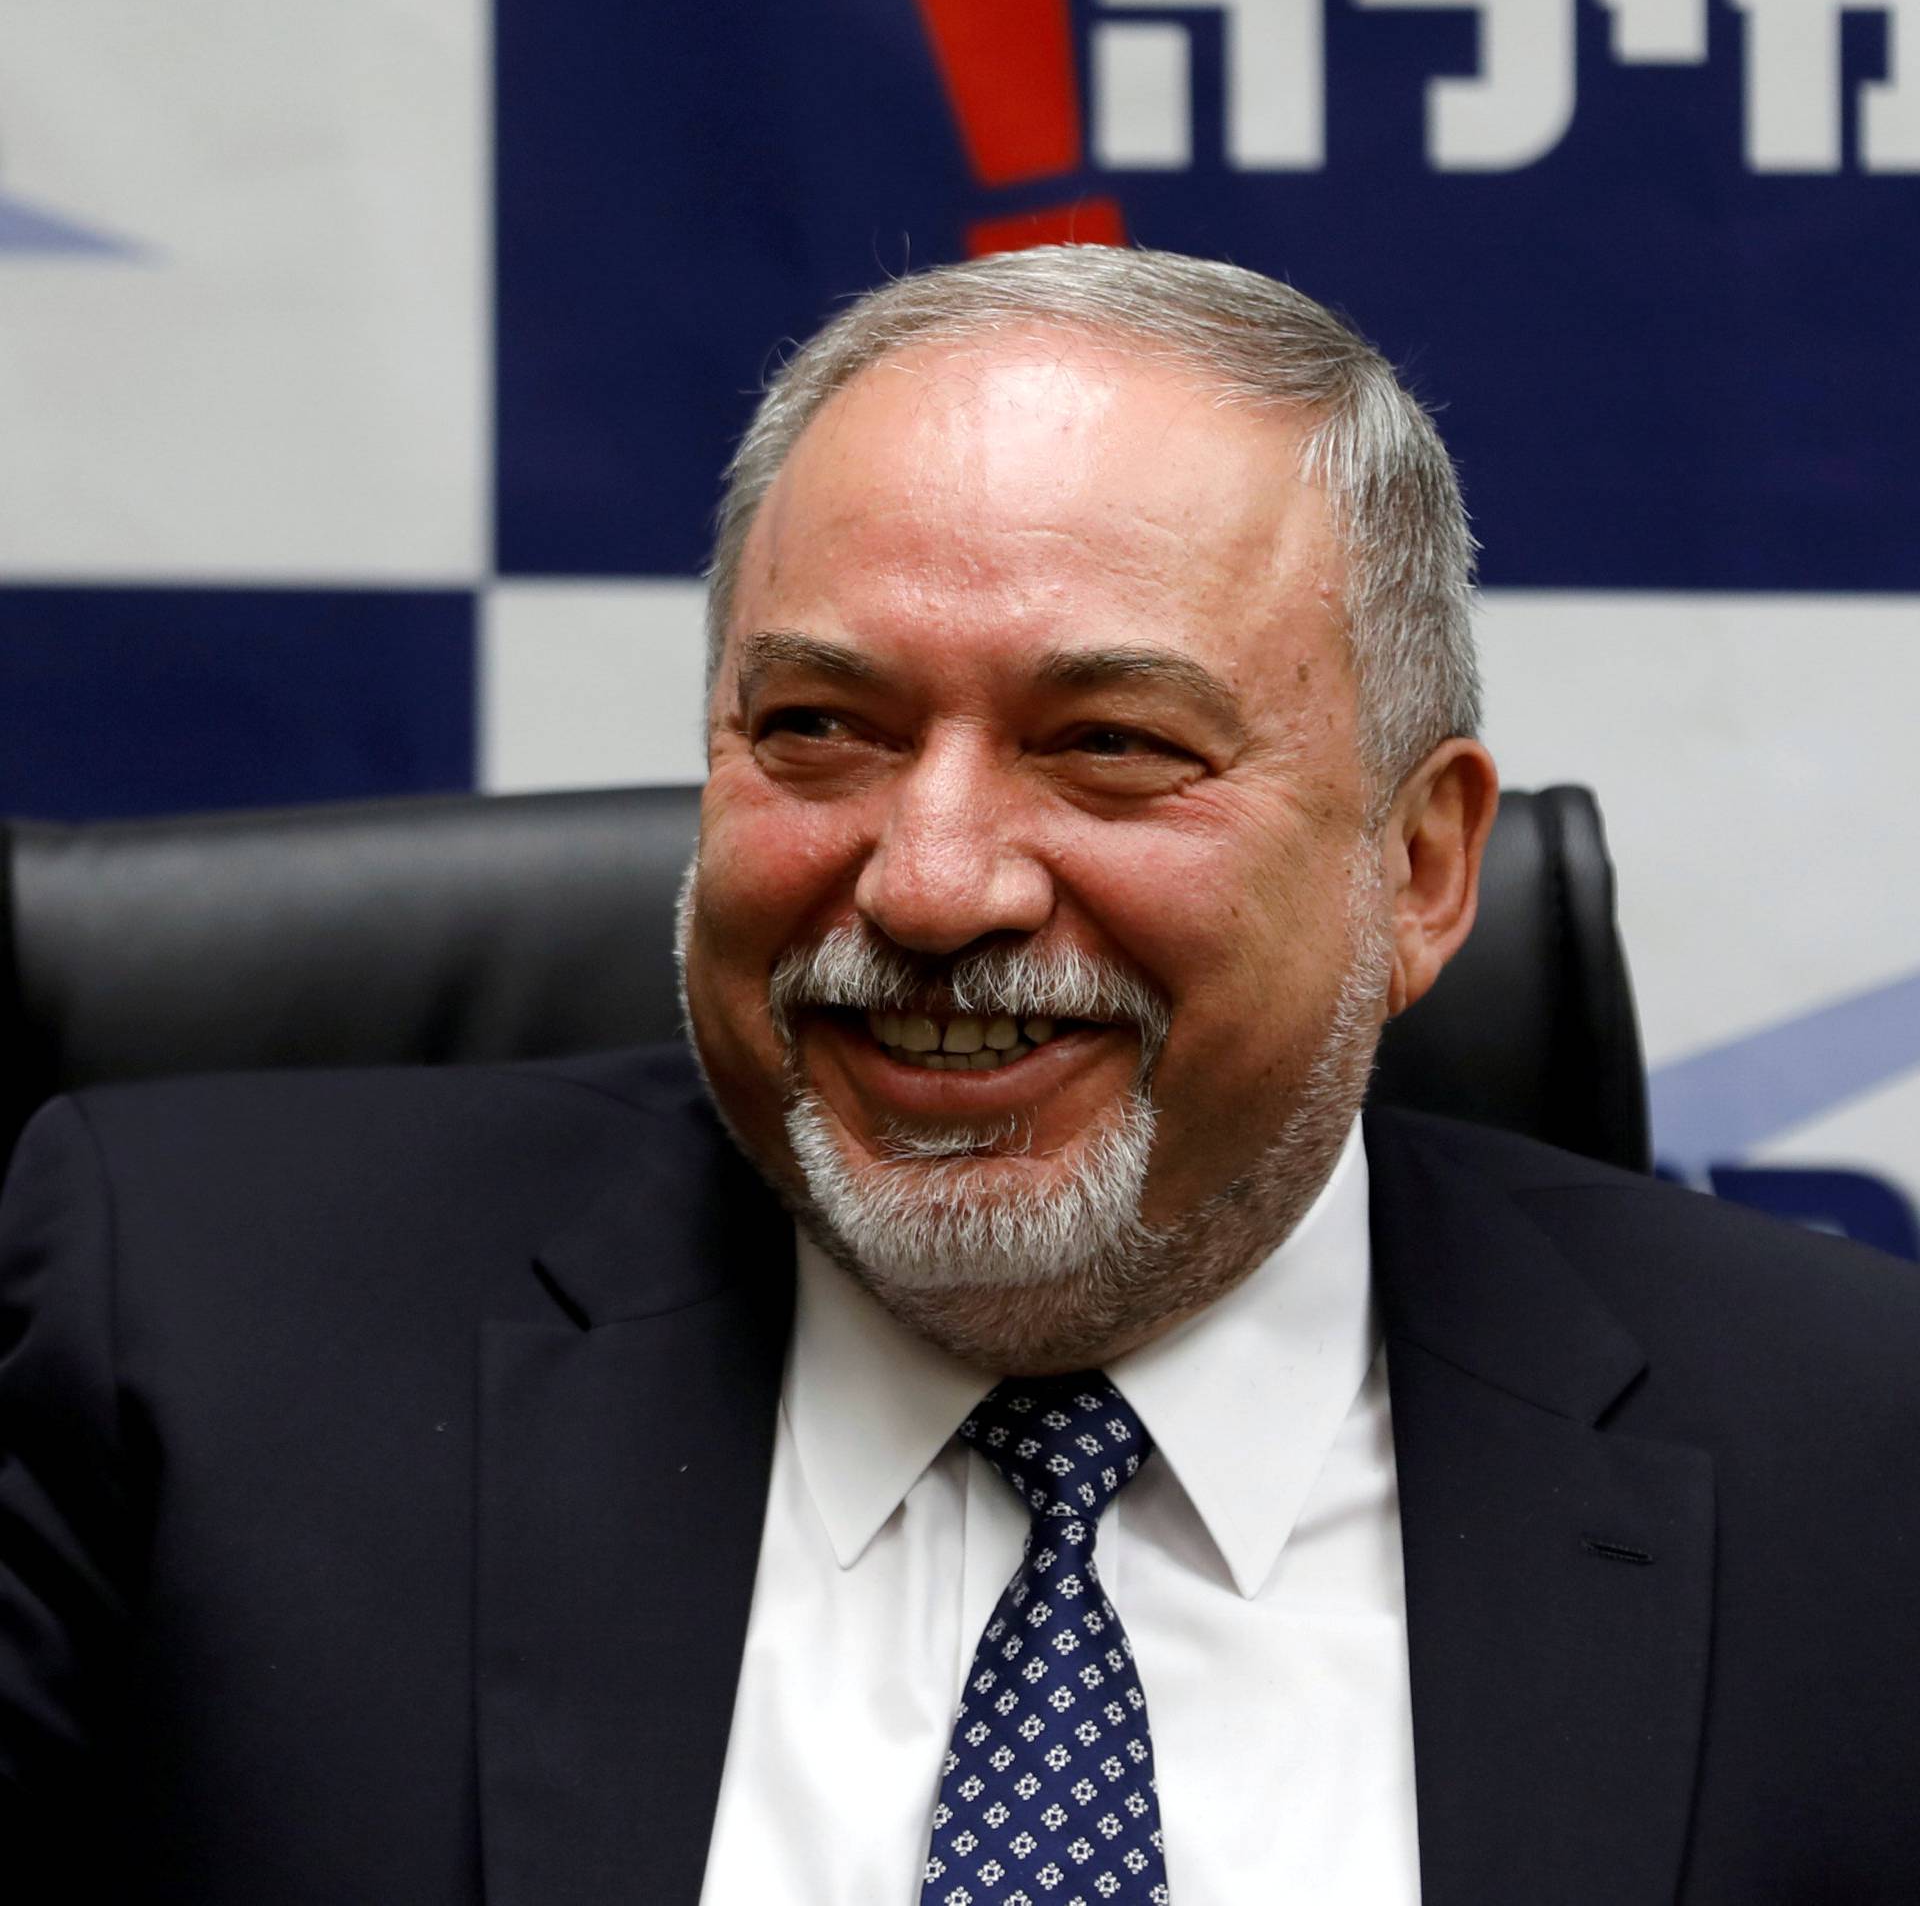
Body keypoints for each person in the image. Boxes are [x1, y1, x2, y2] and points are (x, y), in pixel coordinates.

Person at [2, 245, 1918, 1904]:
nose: (928, 885)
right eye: (818, 728)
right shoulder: (185, 1345)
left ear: (1419, 869)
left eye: (1109, 746)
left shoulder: (1857, 1478)